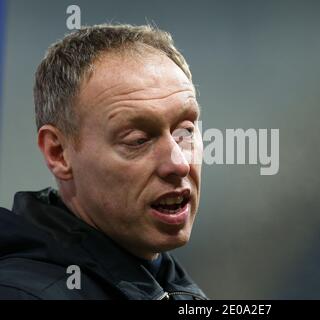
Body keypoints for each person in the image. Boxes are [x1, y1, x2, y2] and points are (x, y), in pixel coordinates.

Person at [0, 24, 206, 300]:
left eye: (185, 132)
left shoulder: (167, 283)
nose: (179, 164)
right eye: (138, 139)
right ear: (58, 153)